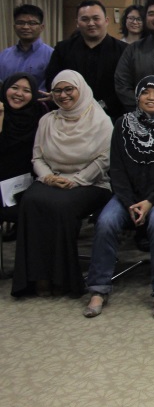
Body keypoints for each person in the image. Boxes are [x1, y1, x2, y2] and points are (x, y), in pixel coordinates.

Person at [83, 76, 154, 319]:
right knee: (106, 221)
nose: (151, 98)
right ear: (137, 97)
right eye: (145, 93)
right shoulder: (122, 124)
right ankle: (98, 288)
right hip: (128, 196)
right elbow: (117, 170)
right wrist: (130, 201)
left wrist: (150, 201)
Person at [11, 70, 113, 298]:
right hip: (51, 178)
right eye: (57, 90)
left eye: (69, 89)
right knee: (31, 200)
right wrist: (48, 177)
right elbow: (37, 157)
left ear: (81, 89)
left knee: (60, 206)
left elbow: (104, 160)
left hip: (91, 184)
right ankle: (37, 278)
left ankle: (63, 279)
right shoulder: (47, 120)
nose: (63, 95)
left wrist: (74, 180)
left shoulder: (100, 120)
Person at [46, 0, 128, 120]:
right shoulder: (63, 49)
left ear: (106, 21)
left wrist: (101, 105)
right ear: (77, 23)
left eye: (96, 18)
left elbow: (126, 85)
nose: (91, 23)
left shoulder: (124, 50)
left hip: (112, 117)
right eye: (85, 19)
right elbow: (52, 81)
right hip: (70, 115)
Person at [0, 73, 44, 229]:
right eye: (14, 88)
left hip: (28, 181)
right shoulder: (0, 111)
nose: (19, 94)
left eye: (26, 90)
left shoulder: (41, 114)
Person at [0, 4, 53, 91]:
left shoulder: (51, 55)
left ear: (42, 27)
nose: (25, 27)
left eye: (32, 23)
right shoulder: (4, 55)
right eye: (20, 23)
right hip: (6, 103)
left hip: (38, 104)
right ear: (14, 27)